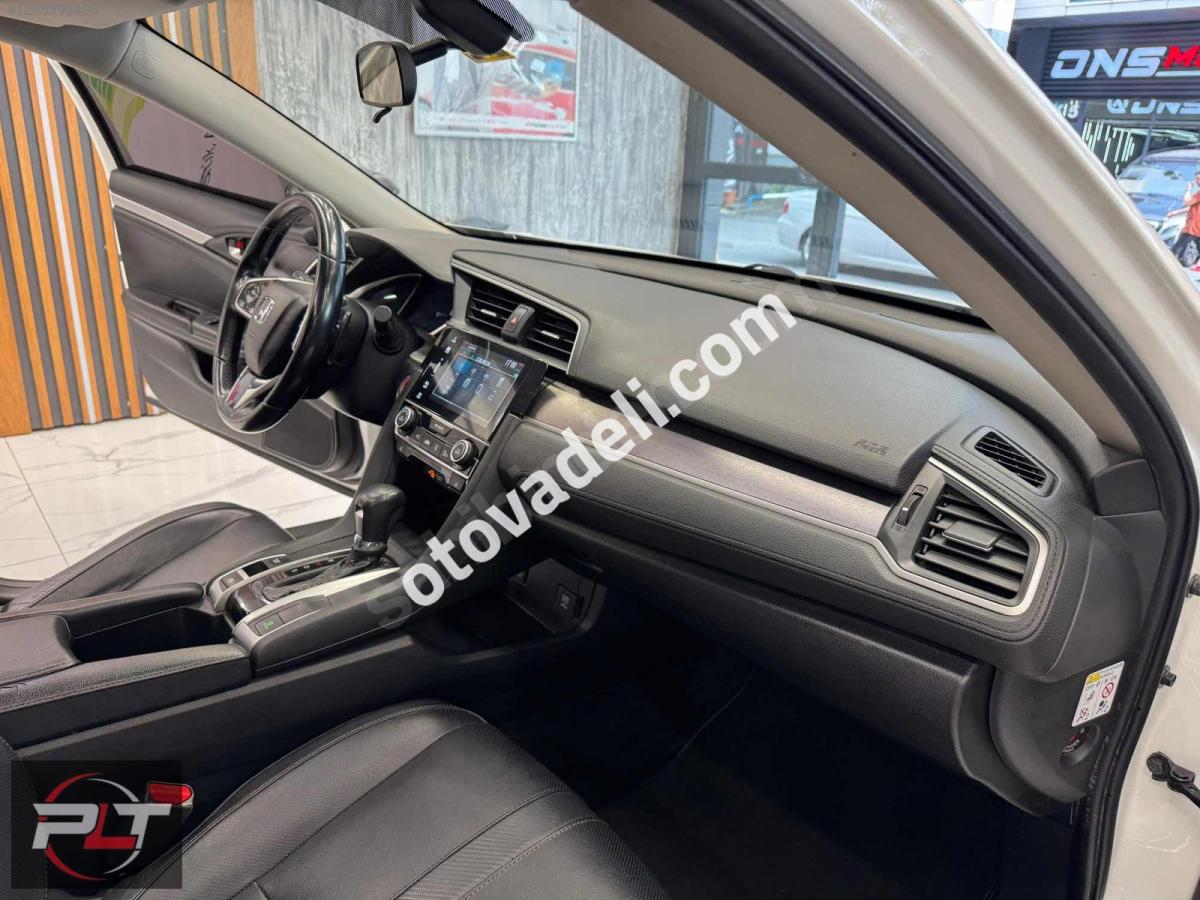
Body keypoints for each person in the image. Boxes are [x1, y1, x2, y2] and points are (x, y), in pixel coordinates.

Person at [1172, 168, 1200, 266]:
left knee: (1176, 250)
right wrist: (1177, 212)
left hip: (1193, 228)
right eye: (1196, 178)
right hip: (1195, 228)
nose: (1197, 181)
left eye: (1199, 178)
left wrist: (1188, 189)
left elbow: (1187, 202)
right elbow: (1193, 207)